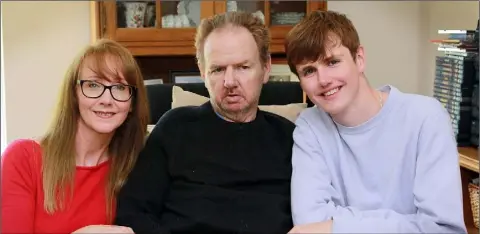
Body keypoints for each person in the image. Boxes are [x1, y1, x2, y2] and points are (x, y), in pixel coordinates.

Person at [285, 10, 467, 233]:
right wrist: (410, 223)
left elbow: (443, 229)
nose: (323, 80)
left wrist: (335, 225)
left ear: (359, 59)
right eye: (309, 71)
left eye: (332, 62)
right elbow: (309, 224)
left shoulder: (426, 118)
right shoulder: (309, 126)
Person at [114, 11, 295, 234]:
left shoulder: (290, 138)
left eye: (242, 67)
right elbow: (133, 212)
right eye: (218, 69)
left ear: (266, 68)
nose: (230, 82)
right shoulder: (175, 128)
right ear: (202, 72)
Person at [1, 39, 150, 233]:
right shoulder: (22, 159)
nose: (107, 99)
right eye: (93, 85)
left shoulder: (135, 168)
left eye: (120, 88)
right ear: (74, 94)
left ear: (132, 103)